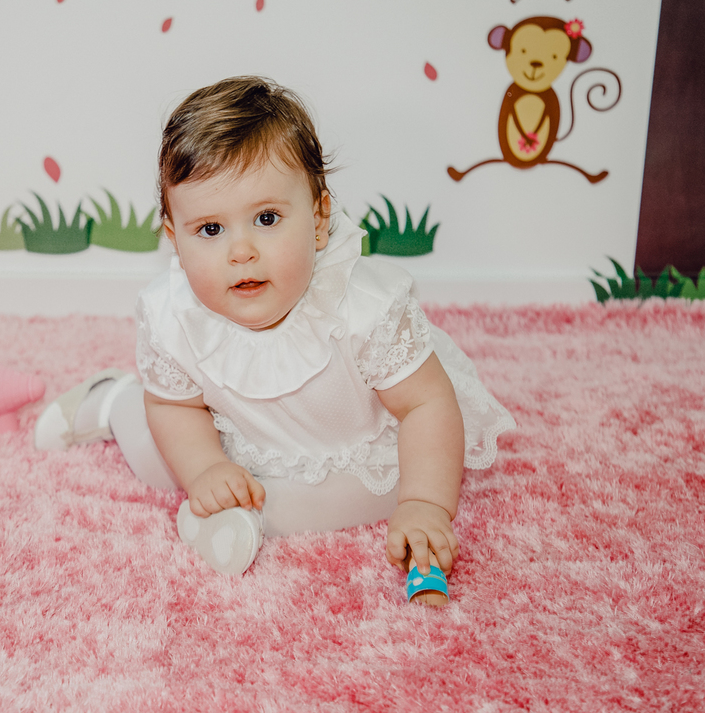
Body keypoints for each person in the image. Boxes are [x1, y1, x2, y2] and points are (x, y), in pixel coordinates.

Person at [34, 76, 515, 605]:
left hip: (348, 444)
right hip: (228, 432)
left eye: (266, 219)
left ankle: (233, 520)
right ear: (175, 240)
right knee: (157, 458)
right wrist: (205, 469)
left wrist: (426, 503)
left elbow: (426, 404)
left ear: (319, 219)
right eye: (210, 230)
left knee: (391, 486)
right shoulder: (176, 317)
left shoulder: (364, 309)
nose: (241, 251)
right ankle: (110, 403)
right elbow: (175, 408)